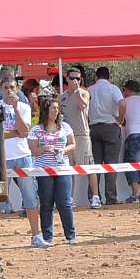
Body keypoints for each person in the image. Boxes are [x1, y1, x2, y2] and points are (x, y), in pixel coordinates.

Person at [0, 74, 50, 248]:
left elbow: (24, 130)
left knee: (30, 197)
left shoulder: (23, 106)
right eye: (6, 87)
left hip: (23, 156)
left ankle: (36, 235)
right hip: (2, 158)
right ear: (0, 88)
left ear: (17, 89)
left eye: (12, 87)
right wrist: (15, 132)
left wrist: (15, 109)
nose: (9, 91)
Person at [28, 95, 78, 245]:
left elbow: (73, 144)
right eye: (53, 108)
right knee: (46, 203)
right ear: (46, 110)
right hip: (44, 170)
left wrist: (62, 150)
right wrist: (44, 148)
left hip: (62, 168)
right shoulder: (36, 129)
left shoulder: (65, 126)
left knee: (65, 202)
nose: (56, 111)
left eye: (57, 108)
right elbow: (33, 150)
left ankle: (71, 235)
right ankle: (47, 236)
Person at [60, 67, 99, 207]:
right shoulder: (62, 96)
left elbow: (83, 106)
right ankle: (69, 198)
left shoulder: (84, 93)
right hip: (67, 137)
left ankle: (95, 197)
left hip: (82, 135)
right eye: (72, 78)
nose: (75, 81)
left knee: (89, 167)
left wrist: (77, 91)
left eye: (78, 78)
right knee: (68, 168)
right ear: (67, 79)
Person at [88, 66, 123, 205]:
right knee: (111, 164)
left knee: (94, 165)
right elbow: (123, 103)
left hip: (93, 128)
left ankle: (94, 197)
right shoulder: (113, 88)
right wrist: (120, 120)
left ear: (96, 77)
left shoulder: (90, 89)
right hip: (110, 127)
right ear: (109, 77)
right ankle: (111, 198)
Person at [119, 80, 140, 203]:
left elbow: (121, 120)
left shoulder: (125, 102)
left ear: (126, 90)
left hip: (134, 134)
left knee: (132, 164)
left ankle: (135, 194)